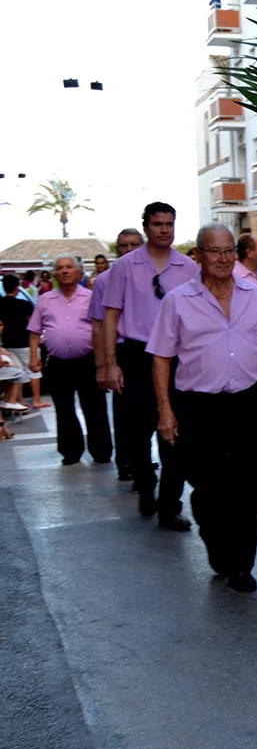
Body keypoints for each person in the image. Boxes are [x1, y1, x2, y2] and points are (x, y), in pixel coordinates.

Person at [148, 224, 257, 593]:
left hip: (249, 402)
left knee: (248, 487)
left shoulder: (255, 296)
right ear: (199, 255)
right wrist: (166, 412)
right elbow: (161, 358)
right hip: (199, 407)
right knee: (209, 489)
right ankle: (217, 542)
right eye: (215, 251)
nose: (224, 258)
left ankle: (242, 566)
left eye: (229, 250)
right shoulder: (177, 301)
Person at [103, 202, 198, 530]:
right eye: (158, 224)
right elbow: (110, 316)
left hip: (176, 358)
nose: (164, 230)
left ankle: (169, 504)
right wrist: (109, 365)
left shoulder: (188, 267)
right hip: (136, 355)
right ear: (146, 227)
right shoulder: (125, 267)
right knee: (137, 429)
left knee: (176, 432)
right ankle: (145, 486)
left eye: (169, 224)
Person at [27, 255, 112, 466]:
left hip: (87, 361)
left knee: (94, 408)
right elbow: (35, 332)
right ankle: (70, 452)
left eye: (69, 267)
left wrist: (106, 362)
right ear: (55, 273)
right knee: (64, 410)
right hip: (57, 363)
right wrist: (33, 358)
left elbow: (101, 329)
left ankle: (101, 451)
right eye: (60, 268)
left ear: (78, 272)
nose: (65, 271)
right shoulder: (46, 299)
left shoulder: (91, 297)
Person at [91, 228, 144, 481]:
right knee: (124, 410)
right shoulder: (104, 281)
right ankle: (125, 461)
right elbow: (99, 325)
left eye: (135, 245)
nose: (130, 250)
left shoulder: (150, 276)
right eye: (124, 246)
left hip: (150, 350)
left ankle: (143, 460)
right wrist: (103, 365)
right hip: (121, 349)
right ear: (117, 249)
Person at [0, 274, 48, 410]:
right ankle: (36, 400)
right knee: (34, 371)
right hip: (25, 341)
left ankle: (19, 402)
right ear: (16, 288)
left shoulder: (0, 303)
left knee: (18, 372)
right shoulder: (23, 304)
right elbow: (33, 323)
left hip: (7, 343)